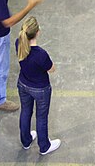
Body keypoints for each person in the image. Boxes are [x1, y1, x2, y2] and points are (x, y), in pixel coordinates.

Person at [16, 16, 61, 156]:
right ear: (38, 32)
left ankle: (26, 140)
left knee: (25, 111)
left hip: (23, 84)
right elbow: (51, 69)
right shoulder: (41, 54)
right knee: (41, 117)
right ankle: (44, 146)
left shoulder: (18, 43)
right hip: (40, 89)